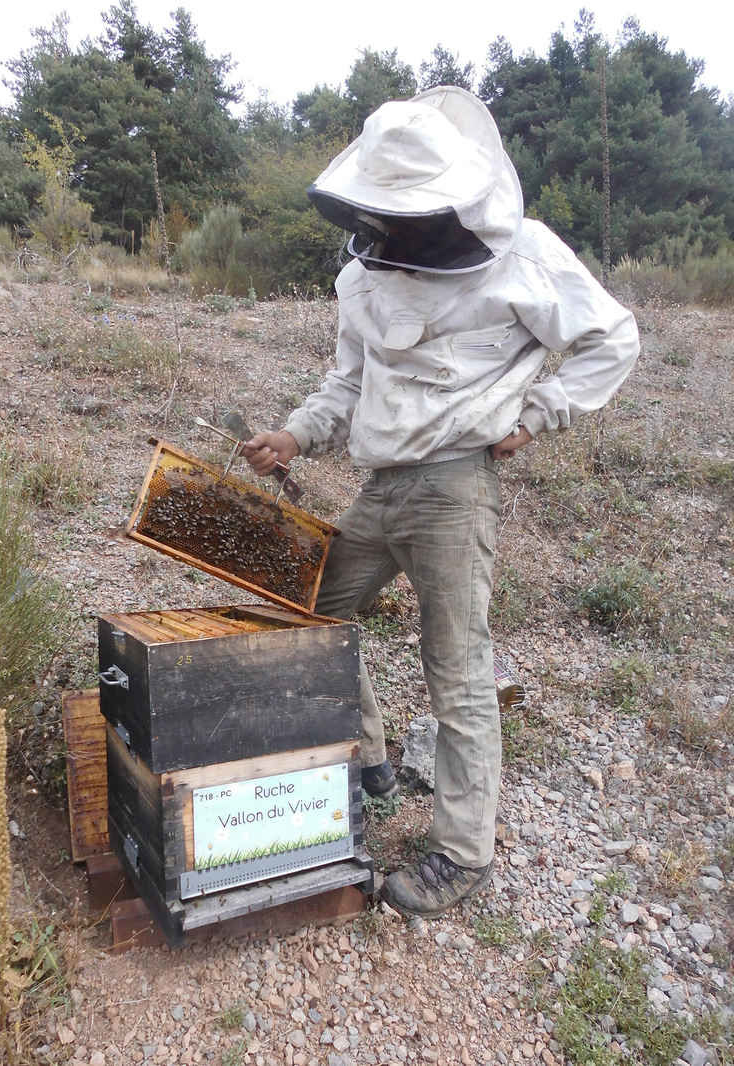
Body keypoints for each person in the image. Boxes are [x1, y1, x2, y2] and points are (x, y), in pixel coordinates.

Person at [242, 86, 639, 919]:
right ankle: (369, 761)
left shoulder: (524, 253)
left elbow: (613, 337)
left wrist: (538, 415)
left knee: (456, 667)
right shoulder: (362, 277)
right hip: (381, 486)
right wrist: (293, 435)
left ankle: (463, 853)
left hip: (458, 487)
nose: (399, 230)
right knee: (316, 611)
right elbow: (348, 383)